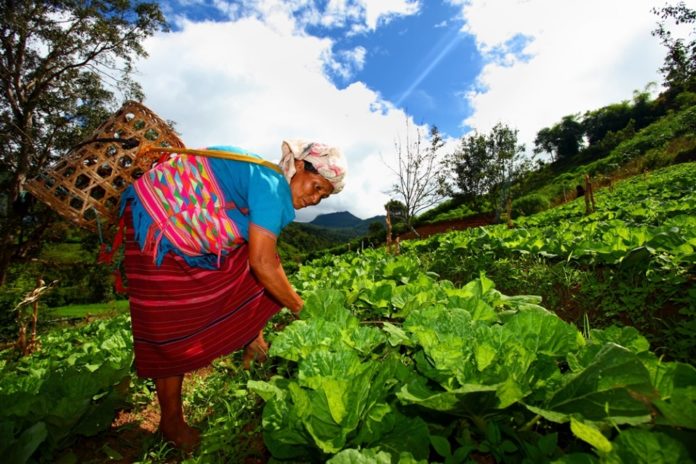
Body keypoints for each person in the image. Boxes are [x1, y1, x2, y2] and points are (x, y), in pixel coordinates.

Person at [119, 139, 347, 450]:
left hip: (170, 220)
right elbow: (263, 263)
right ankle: (171, 424)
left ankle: (253, 344)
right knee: (171, 323)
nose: (315, 199)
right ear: (300, 167)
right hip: (156, 226)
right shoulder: (271, 188)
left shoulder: (265, 179)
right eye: (317, 186)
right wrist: (301, 309)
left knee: (247, 269)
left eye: (322, 195)